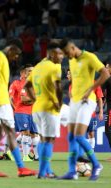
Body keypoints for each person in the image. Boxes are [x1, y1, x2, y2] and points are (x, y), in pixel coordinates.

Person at [58, 38, 109, 181]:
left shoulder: (90, 57)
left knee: (79, 136)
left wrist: (90, 90)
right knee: (71, 137)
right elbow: (76, 79)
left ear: (72, 47)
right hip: (75, 101)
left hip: (88, 101)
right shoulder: (71, 60)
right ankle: (72, 172)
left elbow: (105, 74)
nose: (68, 56)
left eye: (67, 53)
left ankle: (96, 164)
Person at [0, 39, 37, 177]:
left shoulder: (2, 58)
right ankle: (21, 168)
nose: (16, 57)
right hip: (0, 102)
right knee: (10, 133)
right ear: (12, 48)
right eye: (16, 54)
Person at [24, 42, 63, 179]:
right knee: (49, 140)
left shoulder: (38, 67)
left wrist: (35, 99)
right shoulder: (54, 67)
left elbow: (27, 85)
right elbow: (58, 87)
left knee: (43, 139)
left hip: (37, 108)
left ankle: (44, 171)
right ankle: (44, 172)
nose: (62, 56)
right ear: (52, 53)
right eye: (59, 53)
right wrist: (59, 103)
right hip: (49, 108)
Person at [67, 69, 104, 163]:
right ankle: (82, 155)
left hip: (91, 114)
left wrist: (101, 112)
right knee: (81, 134)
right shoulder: (72, 85)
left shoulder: (94, 83)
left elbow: (99, 99)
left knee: (91, 133)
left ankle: (90, 153)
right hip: (80, 114)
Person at [10, 64, 39, 162]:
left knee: (34, 134)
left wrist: (34, 100)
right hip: (22, 111)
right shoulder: (21, 84)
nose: (32, 73)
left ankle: (36, 156)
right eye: (30, 71)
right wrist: (34, 99)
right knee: (26, 133)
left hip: (32, 112)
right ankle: (25, 156)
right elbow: (24, 100)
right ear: (25, 73)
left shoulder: (35, 84)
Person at [103, 61, 111, 161]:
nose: (105, 69)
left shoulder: (107, 79)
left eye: (107, 67)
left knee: (108, 129)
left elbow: (100, 91)